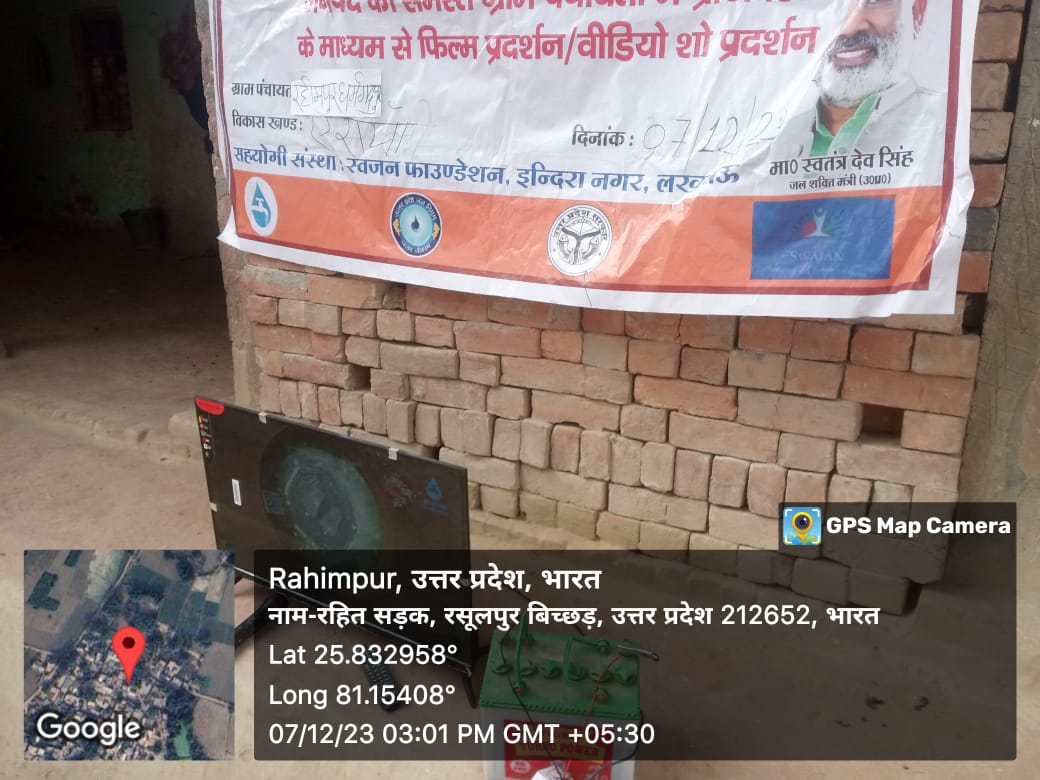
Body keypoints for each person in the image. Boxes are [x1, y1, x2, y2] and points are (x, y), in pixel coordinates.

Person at [775, 0, 939, 159]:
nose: (849, 28)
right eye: (823, 4)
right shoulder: (773, 136)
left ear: (917, 12)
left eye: (874, 1)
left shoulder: (937, 128)